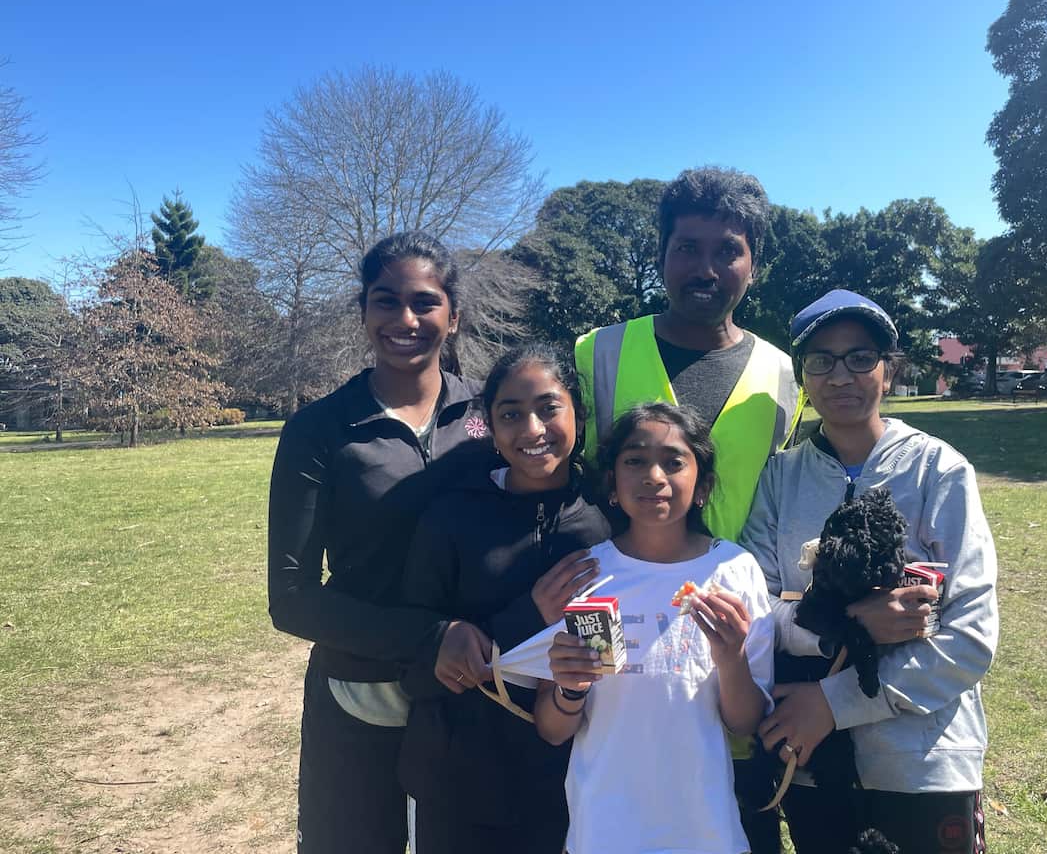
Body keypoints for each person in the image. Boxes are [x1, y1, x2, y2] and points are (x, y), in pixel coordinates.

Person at [574, 166, 796, 851]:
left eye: (726, 249)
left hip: (734, 644)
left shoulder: (782, 374)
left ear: (753, 262)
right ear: (662, 255)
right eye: (686, 247)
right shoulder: (599, 351)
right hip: (622, 661)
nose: (705, 266)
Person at [741, 290, 999, 854]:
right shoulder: (779, 479)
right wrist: (850, 620)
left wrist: (836, 703)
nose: (841, 376)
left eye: (860, 357)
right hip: (812, 766)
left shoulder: (939, 470)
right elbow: (756, 615)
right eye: (821, 360)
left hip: (923, 761)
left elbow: (970, 636)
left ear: (889, 370)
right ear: (802, 375)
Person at [267, 232, 490, 854]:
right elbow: (291, 598)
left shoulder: (486, 414)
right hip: (361, 693)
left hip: (473, 693)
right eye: (386, 301)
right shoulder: (320, 429)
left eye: (425, 302)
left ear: (454, 315)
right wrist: (430, 638)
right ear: (363, 311)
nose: (406, 320)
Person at [397, 342, 612, 854]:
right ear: (490, 427)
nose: (533, 430)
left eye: (548, 408)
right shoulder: (451, 517)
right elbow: (413, 668)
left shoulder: (610, 517)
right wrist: (526, 617)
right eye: (511, 414)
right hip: (461, 787)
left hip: (576, 785)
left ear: (578, 414)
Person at [534, 402, 775, 854]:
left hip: (704, 832)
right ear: (611, 484)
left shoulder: (734, 571)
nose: (654, 476)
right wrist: (569, 689)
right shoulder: (585, 574)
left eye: (674, 461)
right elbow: (552, 729)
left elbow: (746, 722)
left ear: (702, 485)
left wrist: (731, 659)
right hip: (602, 830)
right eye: (635, 460)